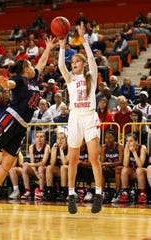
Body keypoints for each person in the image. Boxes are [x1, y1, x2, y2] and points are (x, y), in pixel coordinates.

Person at [0, 36, 55, 213]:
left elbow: (41, 63)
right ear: (25, 69)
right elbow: (9, 84)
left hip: (22, 126)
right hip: (11, 119)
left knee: (8, 163)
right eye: (30, 66)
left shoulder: (33, 80)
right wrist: (3, 83)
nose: (34, 68)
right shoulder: (19, 79)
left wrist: (48, 48)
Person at [58, 22, 103, 214]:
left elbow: (92, 59)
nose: (73, 65)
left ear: (83, 64)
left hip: (90, 117)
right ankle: (71, 195)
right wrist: (61, 46)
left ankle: (99, 194)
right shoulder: (70, 79)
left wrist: (84, 40)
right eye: (72, 63)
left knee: (94, 158)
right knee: (73, 159)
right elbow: (61, 65)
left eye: (76, 63)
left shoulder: (91, 75)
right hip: (75, 118)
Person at [20, 131, 50, 200]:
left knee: (40, 168)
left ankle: (41, 191)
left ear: (44, 138)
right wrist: (36, 173)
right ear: (35, 138)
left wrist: (30, 164)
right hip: (35, 169)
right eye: (37, 137)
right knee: (25, 167)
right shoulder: (31, 147)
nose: (39, 138)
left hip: (45, 169)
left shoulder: (47, 147)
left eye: (41, 137)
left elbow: (43, 163)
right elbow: (32, 161)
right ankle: (27, 191)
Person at [118, 134, 147, 204]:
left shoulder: (142, 148)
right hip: (134, 172)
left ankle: (142, 194)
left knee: (139, 170)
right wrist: (127, 153)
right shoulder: (126, 148)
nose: (128, 143)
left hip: (144, 171)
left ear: (136, 142)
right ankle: (125, 193)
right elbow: (125, 164)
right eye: (127, 141)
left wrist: (134, 152)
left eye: (131, 141)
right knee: (124, 169)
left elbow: (140, 165)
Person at [100, 129, 124, 203]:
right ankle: (101, 193)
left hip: (119, 170)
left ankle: (117, 193)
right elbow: (102, 161)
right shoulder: (103, 147)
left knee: (117, 169)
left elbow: (120, 162)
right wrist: (104, 165)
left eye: (110, 137)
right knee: (102, 169)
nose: (107, 139)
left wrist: (108, 164)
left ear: (114, 138)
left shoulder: (119, 147)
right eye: (106, 138)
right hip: (109, 170)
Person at [45, 132, 68, 201]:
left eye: (62, 138)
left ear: (66, 140)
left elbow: (65, 162)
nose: (60, 140)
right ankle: (50, 191)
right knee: (49, 167)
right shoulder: (54, 148)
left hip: (70, 171)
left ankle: (63, 192)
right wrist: (54, 151)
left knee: (63, 167)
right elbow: (52, 163)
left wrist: (61, 150)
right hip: (60, 170)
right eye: (58, 138)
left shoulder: (69, 148)